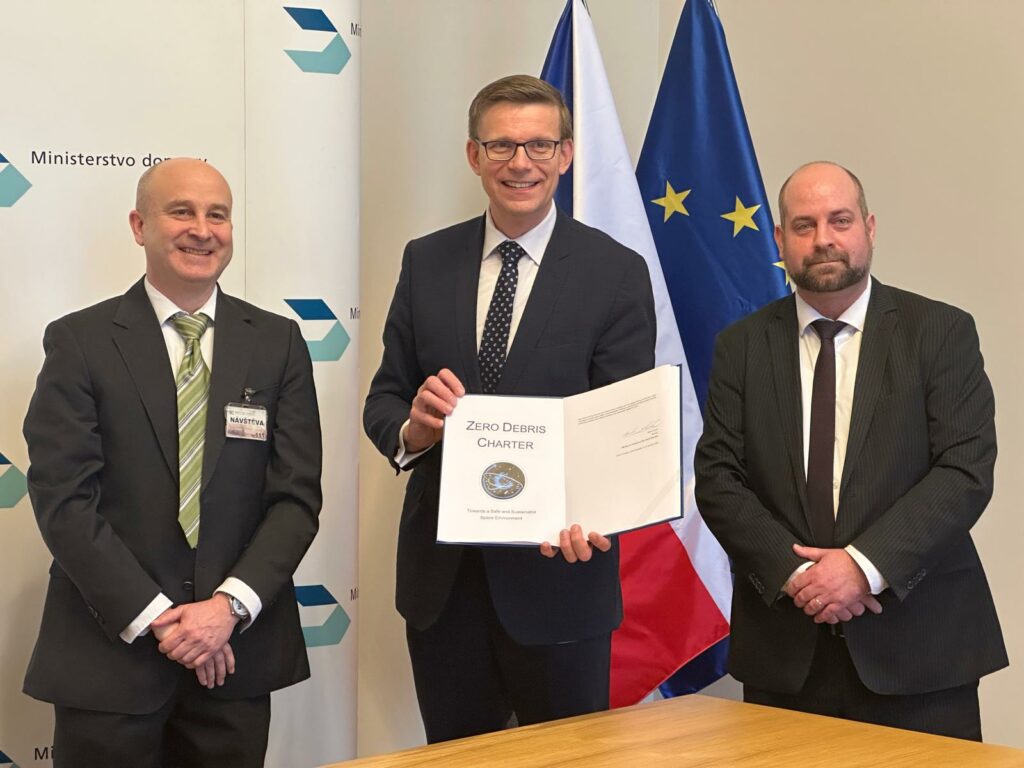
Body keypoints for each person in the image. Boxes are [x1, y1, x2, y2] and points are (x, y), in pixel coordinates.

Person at [363, 74, 656, 743]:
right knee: (455, 758)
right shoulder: (426, 260)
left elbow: (622, 423)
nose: (519, 162)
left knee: (569, 760)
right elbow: (385, 397)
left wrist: (599, 508)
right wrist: (414, 428)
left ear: (566, 154)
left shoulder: (615, 272)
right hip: (446, 585)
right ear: (473, 156)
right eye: (500, 145)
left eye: (537, 145)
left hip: (561, 580)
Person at [22, 157, 322, 767]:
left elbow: (296, 499)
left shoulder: (277, 342)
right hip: (111, 662)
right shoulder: (79, 341)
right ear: (139, 226)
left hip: (235, 660)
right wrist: (167, 622)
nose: (202, 229)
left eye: (218, 214)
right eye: (180, 211)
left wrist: (225, 610)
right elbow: (64, 500)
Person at [694, 161, 1007, 739]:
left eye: (839, 220)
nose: (824, 240)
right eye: (804, 225)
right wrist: (796, 575)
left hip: (921, 652)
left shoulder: (939, 332)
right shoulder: (741, 346)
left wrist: (863, 568)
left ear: (868, 226)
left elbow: (964, 470)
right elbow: (717, 476)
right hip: (785, 653)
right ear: (781, 240)